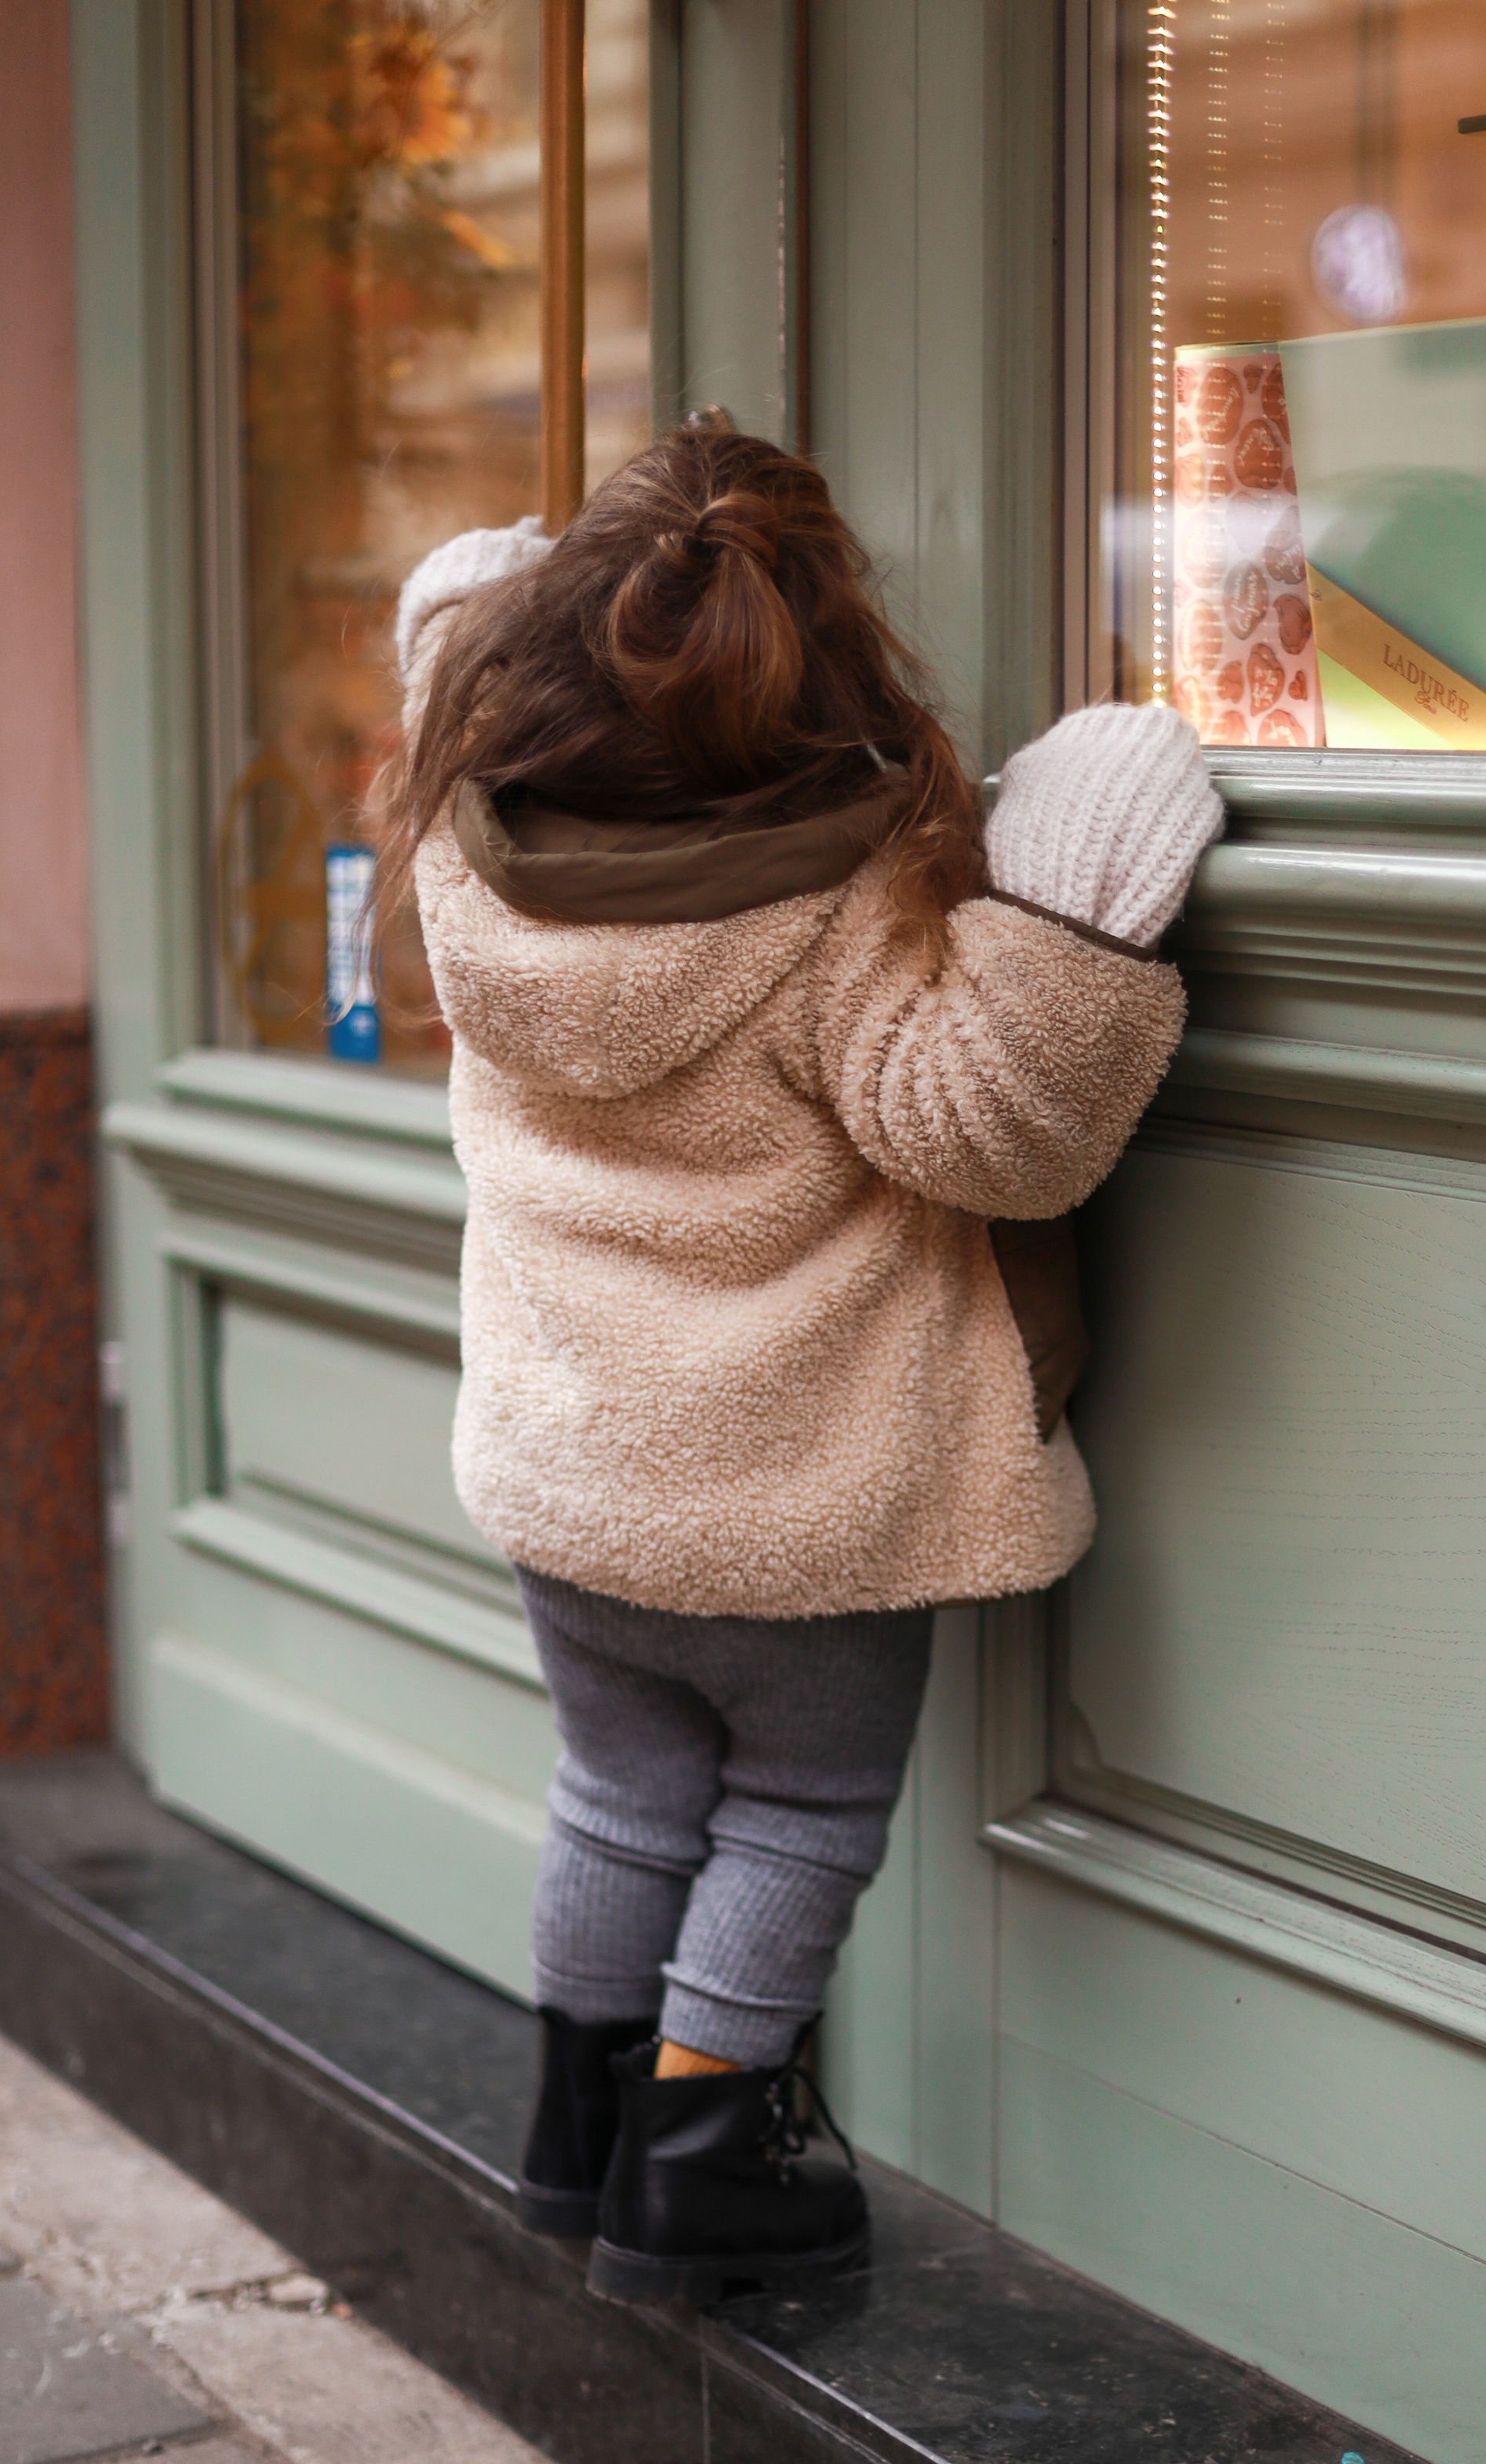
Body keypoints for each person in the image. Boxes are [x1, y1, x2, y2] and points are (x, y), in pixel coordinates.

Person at [381, 411, 1221, 2306]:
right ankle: (703, 2155)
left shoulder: (469, 854)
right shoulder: (841, 908)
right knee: (798, 1814)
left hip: (572, 1485)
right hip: (795, 1509)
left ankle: (576, 2129)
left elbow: (447, 653)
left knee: (615, 1793)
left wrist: (456, 621)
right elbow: (991, 1123)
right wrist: (1071, 910)